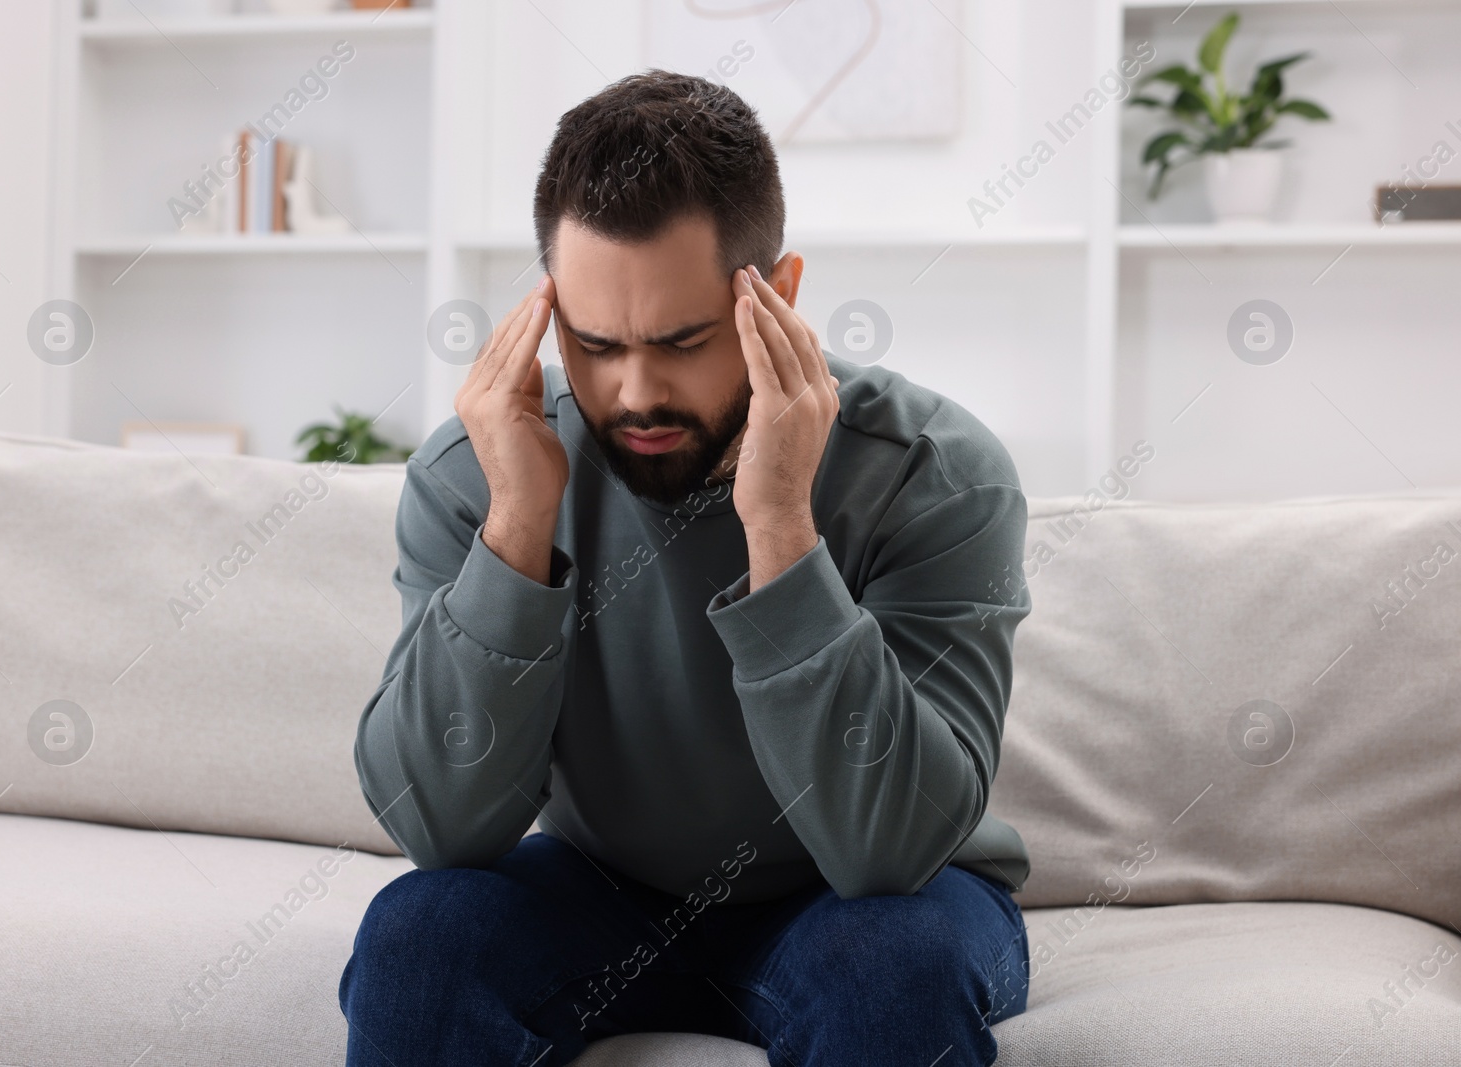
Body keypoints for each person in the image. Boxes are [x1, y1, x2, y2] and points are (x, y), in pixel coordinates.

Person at [340, 69, 1033, 1067]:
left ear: (778, 295)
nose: (634, 391)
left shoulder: (937, 473)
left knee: (890, 961)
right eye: (593, 343)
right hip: (600, 889)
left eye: (682, 341)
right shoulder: (479, 475)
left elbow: (887, 847)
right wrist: (518, 528)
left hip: (871, 898)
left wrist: (782, 527)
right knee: (421, 932)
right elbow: (442, 828)